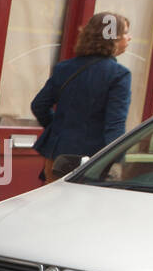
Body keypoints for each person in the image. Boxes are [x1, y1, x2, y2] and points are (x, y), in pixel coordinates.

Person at [31, 12, 131, 181]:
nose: (130, 38)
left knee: (53, 205)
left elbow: (39, 105)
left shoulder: (64, 68)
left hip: (57, 158)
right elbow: (115, 124)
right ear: (112, 38)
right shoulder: (119, 75)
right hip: (92, 163)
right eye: (126, 33)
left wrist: (59, 129)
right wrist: (116, 161)